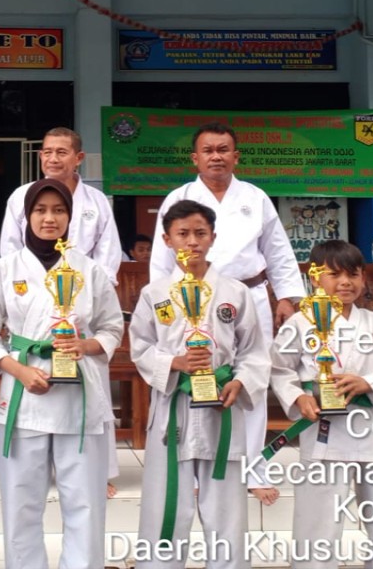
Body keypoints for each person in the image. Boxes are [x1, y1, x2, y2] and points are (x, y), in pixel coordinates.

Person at [149, 122, 303, 506]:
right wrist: (163, 308)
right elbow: (161, 258)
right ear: (195, 158)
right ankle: (196, 464)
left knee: (251, 380)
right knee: (197, 381)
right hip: (192, 301)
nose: (215, 156)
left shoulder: (255, 197)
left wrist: (287, 297)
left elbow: (278, 251)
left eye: (223, 149)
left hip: (248, 294)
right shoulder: (179, 197)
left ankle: (253, 469)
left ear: (236, 156)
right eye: (208, 150)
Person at [0, 179, 124, 569]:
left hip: (80, 397)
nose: (49, 218)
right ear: (27, 216)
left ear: (70, 217)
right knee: (21, 502)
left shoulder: (88, 269)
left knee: (86, 502)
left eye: (58, 210)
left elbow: (112, 328)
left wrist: (86, 346)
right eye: (40, 210)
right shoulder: (6, 269)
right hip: (25, 395)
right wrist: (19, 370)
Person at [129, 200, 269, 569]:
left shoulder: (234, 292)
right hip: (173, 406)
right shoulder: (155, 293)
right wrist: (174, 362)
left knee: (226, 508)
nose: (192, 242)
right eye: (183, 234)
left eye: (200, 233)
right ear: (167, 239)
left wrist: (240, 382)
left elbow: (254, 350)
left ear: (213, 238)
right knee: (165, 502)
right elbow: (140, 347)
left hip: (221, 407)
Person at [269, 240, 373, 569]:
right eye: (334, 275)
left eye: (353, 274)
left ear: (364, 278)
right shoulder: (300, 324)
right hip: (325, 430)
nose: (345, 282)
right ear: (315, 279)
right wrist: (298, 396)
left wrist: (371, 383)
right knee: (317, 518)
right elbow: (279, 368)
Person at [0, 127, 122, 282]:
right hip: (32, 286)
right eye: (47, 152)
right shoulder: (21, 196)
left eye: (61, 152)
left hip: (83, 286)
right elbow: (10, 247)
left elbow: (107, 251)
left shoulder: (97, 200)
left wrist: (99, 287)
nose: (53, 159)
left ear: (79, 158)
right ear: (41, 155)